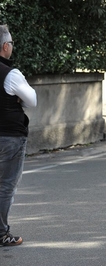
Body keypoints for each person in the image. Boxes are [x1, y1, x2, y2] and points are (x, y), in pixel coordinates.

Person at [0, 25, 37, 246]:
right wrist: (17, 99)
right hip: (10, 137)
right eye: (11, 43)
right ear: (5, 46)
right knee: (5, 186)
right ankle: (1, 232)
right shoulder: (11, 74)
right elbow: (32, 100)